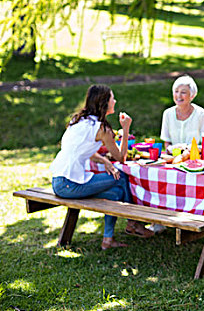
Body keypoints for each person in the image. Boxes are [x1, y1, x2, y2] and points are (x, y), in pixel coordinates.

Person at [50, 85, 154, 250]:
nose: (115, 101)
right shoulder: (102, 129)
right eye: (112, 98)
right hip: (70, 183)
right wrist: (126, 129)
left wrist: (104, 161)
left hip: (59, 181)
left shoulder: (77, 120)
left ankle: (108, 240)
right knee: (121, 176)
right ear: (105, 103)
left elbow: (80, 150)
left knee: (116, 193)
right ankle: (134, 223)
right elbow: (121, 157)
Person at [160, 74, 204, 154]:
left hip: (195, 158)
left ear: (192, 95)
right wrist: (173, 149)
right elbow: (167, 143)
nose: (178, 96)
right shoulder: (167, 114)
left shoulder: (201, 114)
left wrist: (189, 148)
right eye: (176, 91)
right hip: (174, 158)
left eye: (183, 92)